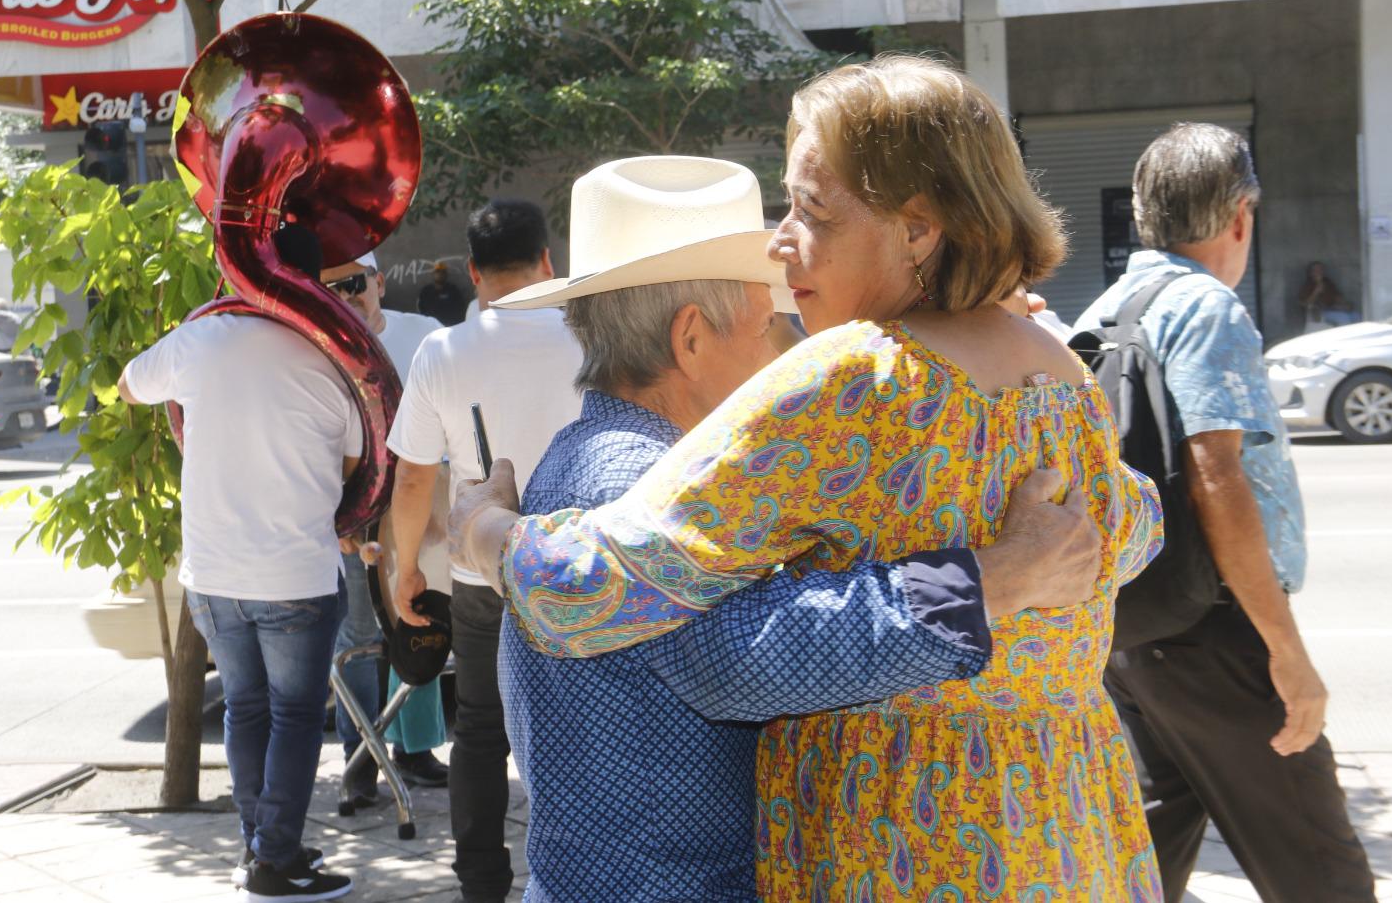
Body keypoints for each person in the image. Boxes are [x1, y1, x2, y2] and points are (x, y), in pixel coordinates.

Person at [455, 56, 1166, 901]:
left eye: (810, 211)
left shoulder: (854, 377)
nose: (779, 242)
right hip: (1068, 824)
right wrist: (993, 575)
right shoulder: (1061, 369)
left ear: (919, 229)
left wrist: (483, 533)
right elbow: (1137, 525)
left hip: (911, 838)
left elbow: (587, 589)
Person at [1075, 124, 1375, 902]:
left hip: (1131, 630)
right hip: (1215, 636)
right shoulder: (1205, 308)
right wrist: (1285, 651)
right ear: (1240, 215)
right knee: (1318, 867)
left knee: (1142, 857)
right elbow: (1217, 477)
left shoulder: (1107, 309)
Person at [117, 224, 357, 903]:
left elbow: (130, 385)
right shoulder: (333, 361)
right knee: (295, 715)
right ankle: (275, 862)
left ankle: (263, 848)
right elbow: (351, 469)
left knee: (246, 710)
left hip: (214, 573)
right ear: (315, 284)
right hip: (297, 574)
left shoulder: (202, 341)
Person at [385, 200, 581, 903]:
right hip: (578, 568)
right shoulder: (593, 336)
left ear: (473, 272)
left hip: (481, 576)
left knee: (479, 731)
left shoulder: (443, 350)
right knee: (581, 729)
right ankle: (575, 877)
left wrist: (407, 568)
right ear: (548, 261)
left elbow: (412, 477)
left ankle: (482, 884)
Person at [318, 252, 449, 798]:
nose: (346, 298)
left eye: (354, 283)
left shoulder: (426, 334)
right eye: (331, 289)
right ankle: (360, 759)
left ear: (380, 280)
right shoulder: (317, 345)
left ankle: (415, 749)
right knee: (358, 633)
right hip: (353, 510)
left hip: (418, 506)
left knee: (415, 622)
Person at [1298, 261, 1358, 329]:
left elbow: (1337, 296)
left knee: (1355, 315)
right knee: (1344, 317)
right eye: (1316, 270)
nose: (1319, 272)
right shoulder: (1307, 285)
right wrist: (1316, 291)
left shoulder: (1328, 282)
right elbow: (1305, 303)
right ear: (1311, 272)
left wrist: (1344, 304)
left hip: (1333, 309)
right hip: (1319, 313)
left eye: (1321, 269)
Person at [417, 260, 469, 325]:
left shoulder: (453, 290)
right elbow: (420, 309)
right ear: (433, 274)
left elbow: (461, 309)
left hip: (449, 327)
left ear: (446, 274)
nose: (440, 274)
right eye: (438, 272)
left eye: (443, 272)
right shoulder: (426, 291)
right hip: (431, 327)